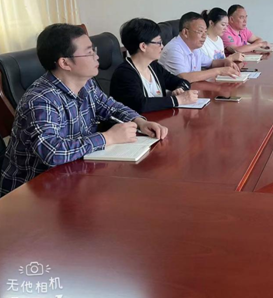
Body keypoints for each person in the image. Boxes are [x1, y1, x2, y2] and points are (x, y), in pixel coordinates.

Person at [0, 24, 168, 197]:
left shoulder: (86, 84)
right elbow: (52, 152)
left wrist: (139, 121)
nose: (97, 56)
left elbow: (110, 106)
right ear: (65, 63)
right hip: (32, 192)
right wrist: (108, 137)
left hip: (73, 175)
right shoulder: (41, 100)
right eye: (89, 52)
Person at [110, 18, 199, 113]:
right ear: (143, 46)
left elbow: (182, 81)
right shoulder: (124, 74)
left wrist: (180, 89)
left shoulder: (153, 66)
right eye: (159, 43)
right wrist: (178, 100)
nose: (162, 46)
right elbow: (140, 105)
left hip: (160, 118)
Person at [159, 12, 240, 83]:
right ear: (186, 32)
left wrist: (225, 62)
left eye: (205, 31)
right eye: (200, 31)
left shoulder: (194, 47)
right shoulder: (174, 49)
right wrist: (219, 71)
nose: (204, 36)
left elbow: (211, 63)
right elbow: (184, 77)